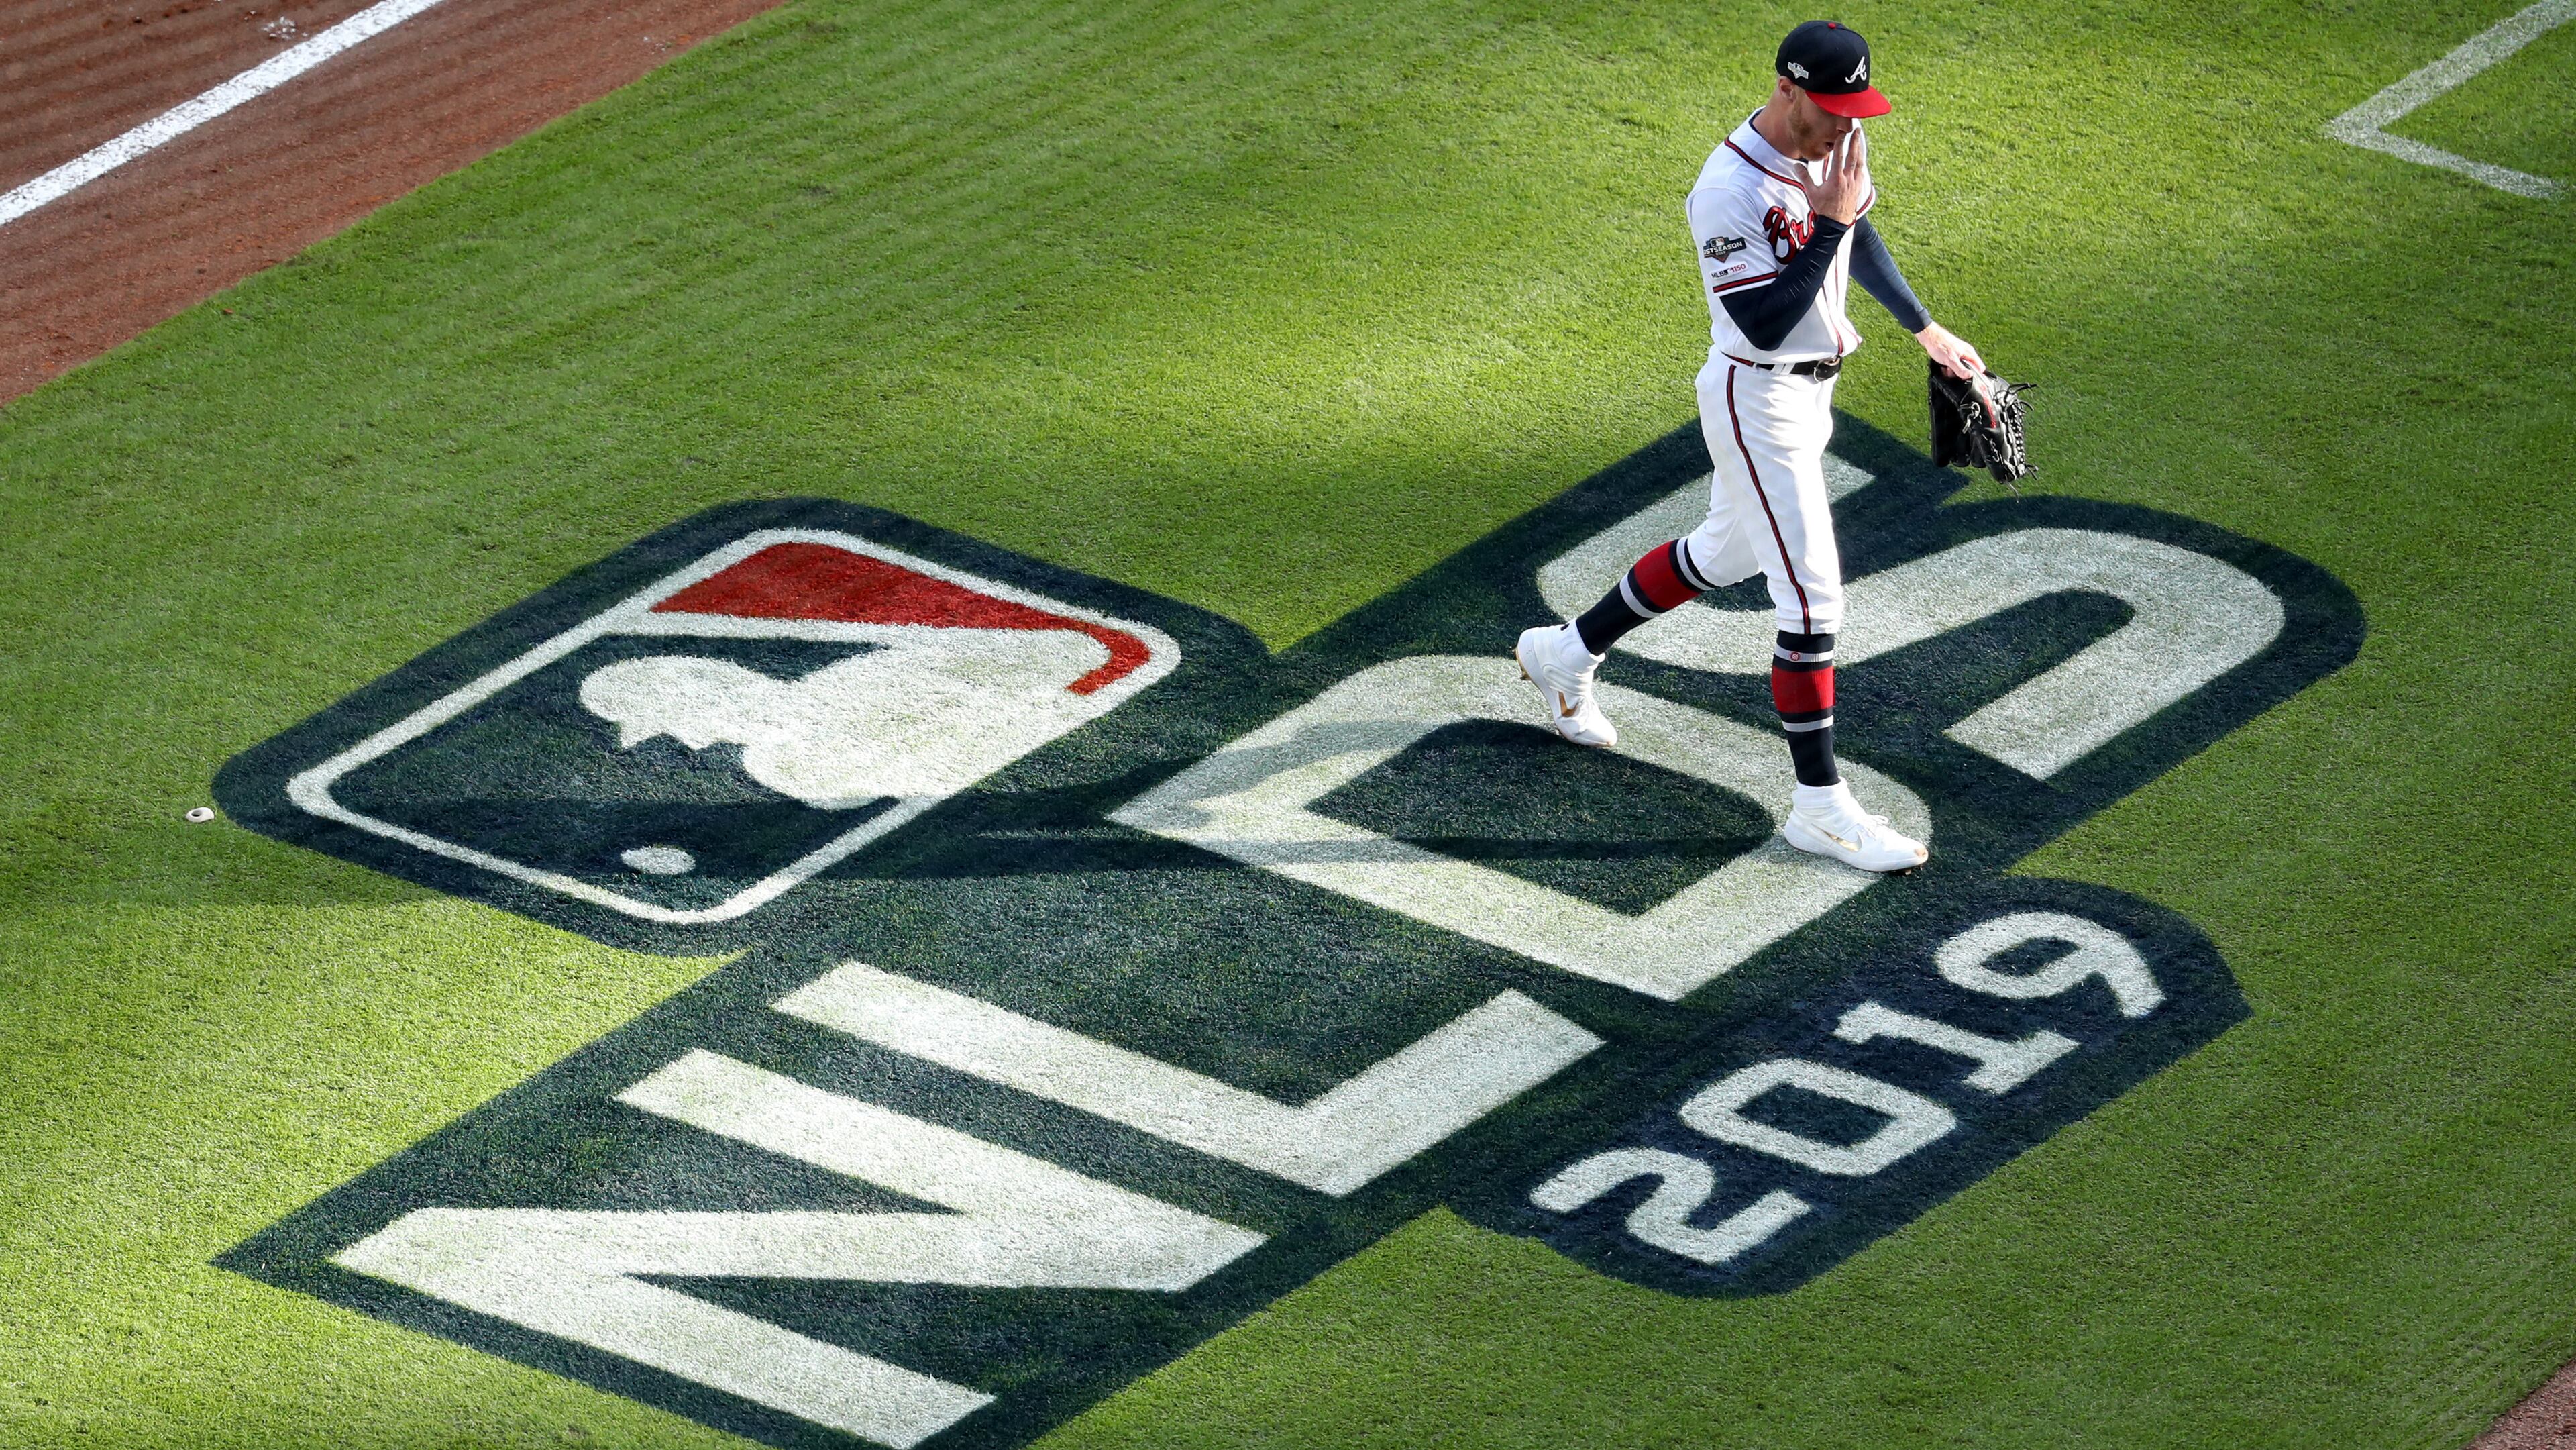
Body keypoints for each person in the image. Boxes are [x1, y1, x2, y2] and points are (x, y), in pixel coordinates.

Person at [1516, 19, 1992, 873]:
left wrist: (1925, 328)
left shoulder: (1835, 149)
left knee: (1723, 552)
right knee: (1814, 604)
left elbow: (1862, 231)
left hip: (1814, 397)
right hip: (1756, 396)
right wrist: (1830, 228)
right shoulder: (1724, 188)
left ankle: (1562, 652)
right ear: (1787, 89)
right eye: (1835, 108)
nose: (1850, 126)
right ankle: (1821, 808)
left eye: (1859, 108)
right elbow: (1763, 322)